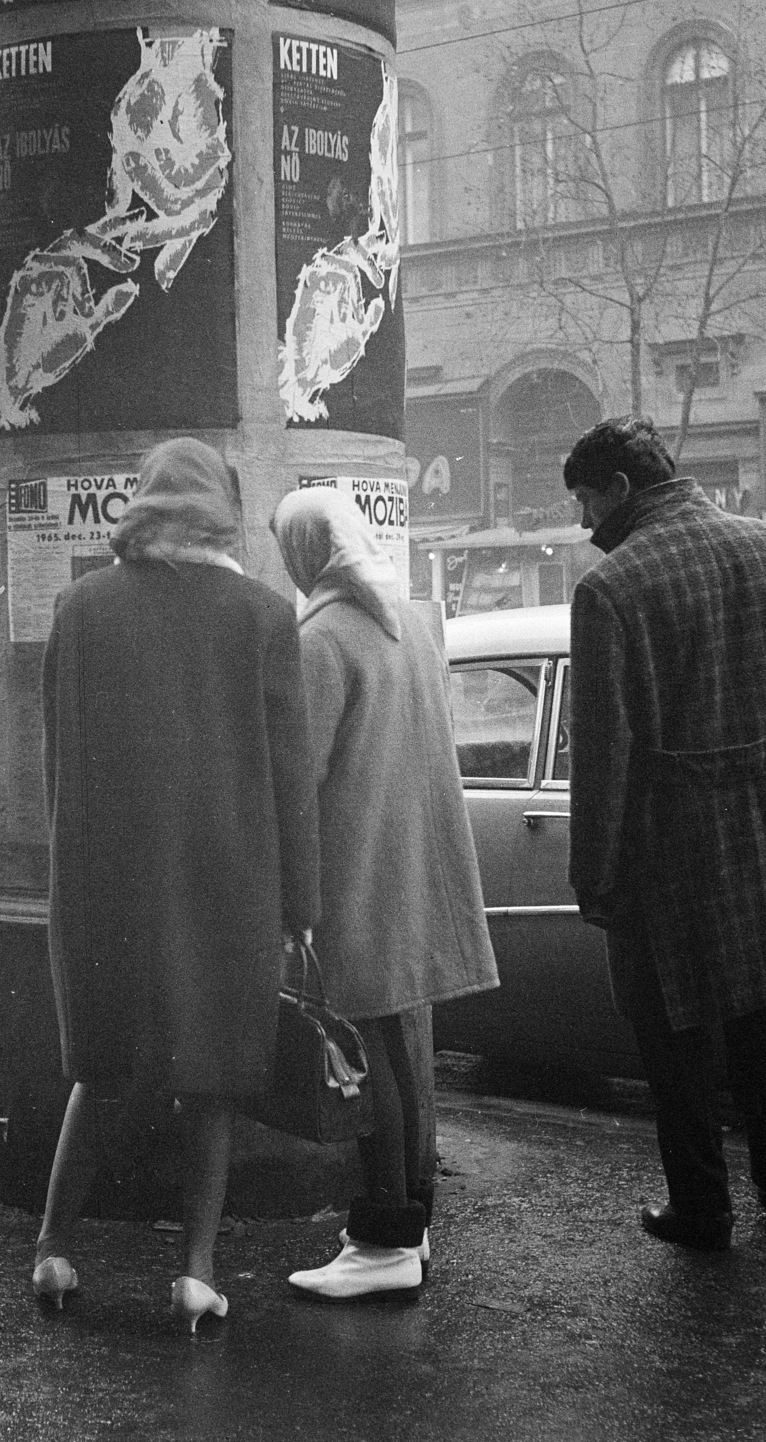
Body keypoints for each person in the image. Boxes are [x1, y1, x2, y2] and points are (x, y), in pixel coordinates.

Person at [34, 438, 320, 1331]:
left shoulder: (81, 608)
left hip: (107, 882)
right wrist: (299, 908)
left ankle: (51, 1250)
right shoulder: (266, 616)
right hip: (226, 882)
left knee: (101, 1067)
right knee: (214, 1080)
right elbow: (289, 779)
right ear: (224, 510)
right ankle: (196, 1271)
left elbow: (60, 759)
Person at [563, 416, 766, 1252]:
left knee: (674, 1040)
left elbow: (605, 754)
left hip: (672, 848)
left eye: (587, 501)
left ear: (620, 488)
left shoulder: (613, 588)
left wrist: (596, 875)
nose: (585, 523)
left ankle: (702, 1209)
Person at [271, 487, 498, 1300]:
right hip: (406, 862)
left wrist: (290, 900)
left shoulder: (321, 637)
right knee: (395, 1049)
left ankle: (383, 1241)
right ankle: (410, 1224)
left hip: (353, 869)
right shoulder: (402, 622)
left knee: (363, 1060)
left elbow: (296, 782)